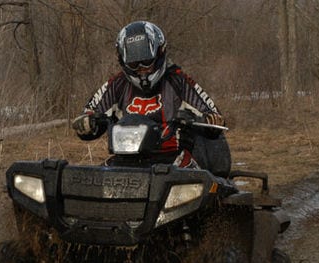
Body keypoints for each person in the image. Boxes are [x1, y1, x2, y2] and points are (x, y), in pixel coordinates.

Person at [71, 21, 226, 169]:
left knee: (197, 189)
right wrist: (88, 122)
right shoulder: (117, 84)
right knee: (95, 187)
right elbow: (88, 114)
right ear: (123, 61)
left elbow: (215, 118)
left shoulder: (178, 80)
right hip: (123, 159)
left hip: (172, 159)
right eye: (134, 64)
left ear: (159, 54)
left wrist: (196, 119)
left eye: (146, 61)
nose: (141, 69)